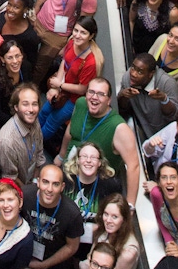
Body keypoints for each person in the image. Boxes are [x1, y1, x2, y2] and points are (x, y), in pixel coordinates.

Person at [58, 76, 140, 205]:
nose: (94, 97)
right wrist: (61, 156)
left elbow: (133, 166)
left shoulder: (118, 127)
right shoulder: (80, 104)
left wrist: (130, 205)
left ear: (108, 100)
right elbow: (71, 131)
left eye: (101, 94)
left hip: (97, 191)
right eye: (91, 92)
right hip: (70, 177)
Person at [23, 163, 84, 269]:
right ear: (38, 182)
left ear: (62, 187)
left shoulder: (72, 213)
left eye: (55, 184)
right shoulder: (24, 195)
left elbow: (72, 246)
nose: (49, 189)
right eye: (45, 182)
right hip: (22, 255)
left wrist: (44, 265)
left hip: (51, 261)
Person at [0, 82, 44, 186]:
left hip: (32, 178)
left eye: (34, 104)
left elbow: (39, 152)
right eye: (25, 104)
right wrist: (29, 192)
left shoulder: (34, 121)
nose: (31, 110)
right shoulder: (6, 142)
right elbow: (11, 179)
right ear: (16, 107)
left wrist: (35, 181)